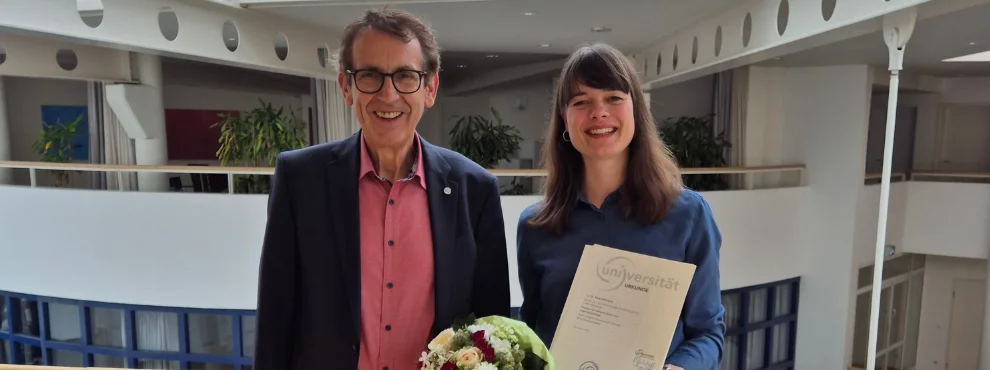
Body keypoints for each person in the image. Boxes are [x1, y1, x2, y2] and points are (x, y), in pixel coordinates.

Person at [253, 8, 511, 370]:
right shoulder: (301, 179)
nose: (388, 95)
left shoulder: (475, 190)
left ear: (430, 87)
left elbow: (493, 329)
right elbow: (276, 317)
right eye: (370, 76)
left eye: (406, 76)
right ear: (346, 87)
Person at [516, 43, 726, 370]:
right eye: (581, 102)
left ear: (636, 110)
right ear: (564, 120)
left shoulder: (688, 214)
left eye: (613, 98)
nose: (599, 112)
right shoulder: (535, 225)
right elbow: (533, 333)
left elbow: (708, 331)